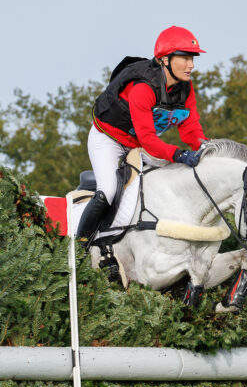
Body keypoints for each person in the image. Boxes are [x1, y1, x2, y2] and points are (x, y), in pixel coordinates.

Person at [76, 26, 209, 241]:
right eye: (184, 58)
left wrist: (206, 147)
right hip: (108, 139)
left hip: (137, 146)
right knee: (108, 191)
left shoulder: (185, 89)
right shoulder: (143, 88)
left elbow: (191, 130)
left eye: (192, 58)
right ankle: (79, 245)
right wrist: (180, 155)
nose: (191, 65)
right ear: (165, 59)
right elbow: (149, 140)